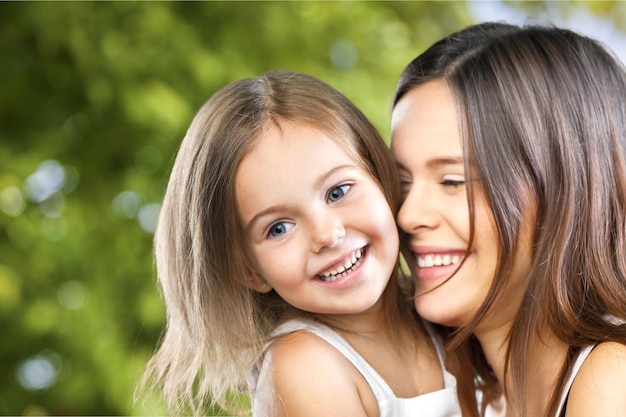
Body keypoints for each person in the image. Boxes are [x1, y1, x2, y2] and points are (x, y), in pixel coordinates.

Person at [140, 70, 467, 416]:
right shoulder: (304, 365)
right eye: (279, 228)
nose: (326, 235)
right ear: (249, 270)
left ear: (380, 177)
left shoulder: (434, 311)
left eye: (338, 192)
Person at [390, 21, 626, 417]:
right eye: (402, 182)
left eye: (453, 180)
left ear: (563, 188)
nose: (408, 215)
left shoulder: (612, 382)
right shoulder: (478, 399)